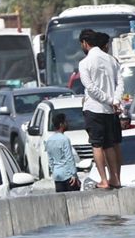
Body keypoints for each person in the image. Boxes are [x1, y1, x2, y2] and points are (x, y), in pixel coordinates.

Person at [78, 29, 124, 189]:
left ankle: (104, 180)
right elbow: (120, 82)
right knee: (110, 144)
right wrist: (115, 100)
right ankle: (115, 178)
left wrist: (109, 100)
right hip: (110, 110)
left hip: (94, 108)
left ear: (84, 43)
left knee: (97, 145)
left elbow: (89, 87)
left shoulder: (84, 63)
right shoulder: (111, 60)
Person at [45, 111, 81, 192]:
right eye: (66, 122)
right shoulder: (65, 139)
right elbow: (69, 158)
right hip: (67, 174)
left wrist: (53, 171)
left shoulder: (49, 140)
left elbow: (50, 159)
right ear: (61, 124)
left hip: (57, 175)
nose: (67, 124)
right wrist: (74, 174)